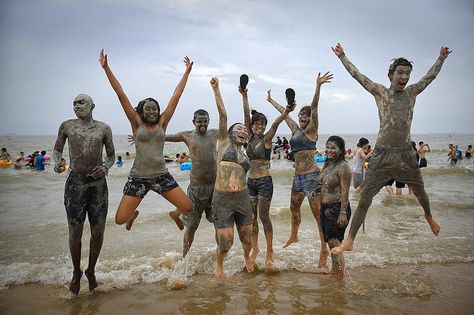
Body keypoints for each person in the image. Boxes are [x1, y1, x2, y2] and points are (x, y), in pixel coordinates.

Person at [330, 43, 449, 256]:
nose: (404, 77)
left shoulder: (412, 92)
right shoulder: (380, 92)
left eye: (407, 73)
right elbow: (358, 76)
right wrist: (342, 57)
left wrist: (440, 59)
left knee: (420, 190)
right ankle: (350, 240)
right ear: (391, 74)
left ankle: (428, 216)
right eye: (400, 73)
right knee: (365, 198)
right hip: (382, 155)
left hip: (405, 153)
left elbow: (429, 78)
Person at [99, 49, 193, 231]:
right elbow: (121, 94)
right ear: (142, 112)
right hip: (138, 177)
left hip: (161, 175)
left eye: (155, 109)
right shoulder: (136, 123)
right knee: (119, 220)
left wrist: (186, 73)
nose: (152, 112)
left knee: (188, 207)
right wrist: (106, 68)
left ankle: (174, 214)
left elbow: (176, 96)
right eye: (148, 109)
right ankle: (132, 214)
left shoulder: (163, 122)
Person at [267, 72, 332, 268]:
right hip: (297, 178)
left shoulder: (312, 130)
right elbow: (283, 112)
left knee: (318, 215)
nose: (303, 117)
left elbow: (315, 107)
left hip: (312, 177)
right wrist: (271, 101)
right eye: (301, 116)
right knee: (294, 208)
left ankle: (324, 250)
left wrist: (318, 86)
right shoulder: (295, 129)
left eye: (306, 116)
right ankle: (294, 236)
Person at [53, 93, 115, 295]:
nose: (76, 106)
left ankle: (91, 270)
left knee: (98, 232)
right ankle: (76, 271)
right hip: (75, 183)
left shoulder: (103, 128)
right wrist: (57, 162)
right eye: (74, 103)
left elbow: (112, 156)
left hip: (97, 184)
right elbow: (57, 150)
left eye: (81, 103)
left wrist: (105, 167)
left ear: (92, 106)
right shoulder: (67, 126)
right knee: (75, 231)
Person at [240, 79, 295, 268]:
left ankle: (269, 250)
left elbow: (276, 124)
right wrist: (244, 94)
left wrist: (287, 111)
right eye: (257, 124)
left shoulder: (267, 138)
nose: (260, 127)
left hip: (264, 182)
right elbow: (246, 117)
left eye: (262, 124)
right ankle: (256, 248)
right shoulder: (249, 136)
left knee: (264, 217)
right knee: (252, 217)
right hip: (250, 183)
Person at [165, 105, 226, 257]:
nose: (202, 125)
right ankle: (184, 257)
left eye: (205, 121)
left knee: (218, 224)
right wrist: (143, 136)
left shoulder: (214, 134)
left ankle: (221, 257)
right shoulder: (187, 135)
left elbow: (230, 131)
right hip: (196, 188)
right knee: (192, 226)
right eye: (199, 122)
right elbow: (164, 137)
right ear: (193, 121)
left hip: (214, 187)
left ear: (209, 121)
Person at [211, 77, 255, 279]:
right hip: (223, 199)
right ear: (229, 133)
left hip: (243, 198)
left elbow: (248, 121)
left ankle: (247, 257)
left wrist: (245, 96)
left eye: (244, 131)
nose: (243, 132)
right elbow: (223, 114)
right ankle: (219, 262)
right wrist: (216, 90)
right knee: (226, 243)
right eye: (238, 129)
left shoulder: (244, 152)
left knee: (247, 241)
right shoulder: (223, 143)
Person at [315, 136, 352, 281]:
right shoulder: (327, 164)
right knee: (331, 243)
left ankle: (339, 277)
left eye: (333, 147)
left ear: (341, 150)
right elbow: (321, 183)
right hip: (326, 208)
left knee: (334, 243)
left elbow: (345, 191)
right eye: (328, 147)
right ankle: (335, 273)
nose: (329, 150)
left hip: (337, 209)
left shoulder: (343, 167)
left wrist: (343, 213)